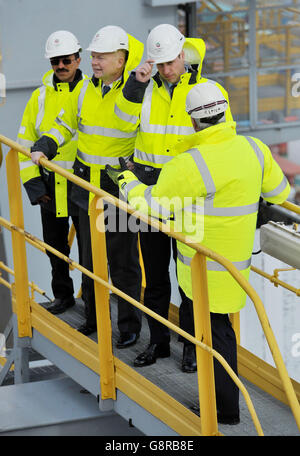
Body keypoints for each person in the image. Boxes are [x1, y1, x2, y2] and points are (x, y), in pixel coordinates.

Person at [106, 81, 290, 424]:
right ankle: (220, 402)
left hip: (202, 267)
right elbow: (280, 192)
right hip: (237, 265)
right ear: (226, 112)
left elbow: (153, 208)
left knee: (215, 337)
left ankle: (225, 411)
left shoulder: (188, 164)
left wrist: (126, 180)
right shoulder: (255, 149)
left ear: (193, 122)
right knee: (220, 331)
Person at [114, 23, 233, 372]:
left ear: (183, 54)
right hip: (150, 192)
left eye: (171, 62)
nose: (167, 70)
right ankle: (158, 343)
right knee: (155, 276)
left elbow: (225, 141)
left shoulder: (207, 90)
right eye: (160, 63)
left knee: (189, 280)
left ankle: (191, 349)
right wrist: (136, 82)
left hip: (189, 196)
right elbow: (122, 124)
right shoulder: (142, 89)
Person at [30, 25, 144, 346]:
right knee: (91, 263)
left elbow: (127, 121)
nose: (95, 62)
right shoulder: (85, 90)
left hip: (119, 190)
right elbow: (66, 123)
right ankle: (95, 320)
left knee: (123, 264)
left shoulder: (133, 94)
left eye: (102, 57)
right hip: (85, 188)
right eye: (93, 56)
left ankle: (128, 327)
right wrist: (46, 145)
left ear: (121, 60)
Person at [17, 30, 86, 315]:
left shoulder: (90, 92)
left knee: (91, 253)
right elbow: (23, 141)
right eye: (55, 61)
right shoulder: (39, 97)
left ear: (78, 59)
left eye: (66, 60)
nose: (61, 66)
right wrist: (35, 186)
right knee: (55, 248)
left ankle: (94, 303)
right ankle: (63, 296)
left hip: (84, 184)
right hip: (50, 186)